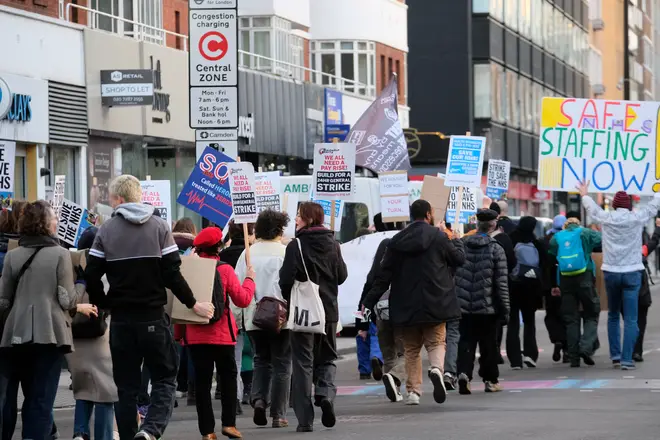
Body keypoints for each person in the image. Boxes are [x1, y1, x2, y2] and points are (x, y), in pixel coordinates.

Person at [85, 175, 215, 440]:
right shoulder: (159, 226)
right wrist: (193, 303)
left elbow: (91, 274)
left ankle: (132, 433)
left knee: (126, 387)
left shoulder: (106, 230)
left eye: (110, 198)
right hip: (153, 318)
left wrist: (105, 303)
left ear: (119, 199)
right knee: (166, 377)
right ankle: (150, 430)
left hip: (121, 322)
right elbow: (172, 274)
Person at [363, 200, 465, 406]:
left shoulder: (396, 241)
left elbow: (383, 276)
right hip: (436, 301)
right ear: (428, 215)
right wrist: (455, 239)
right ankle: (436, 369)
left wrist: (368, 301)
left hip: (405, 304)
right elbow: (459, 259)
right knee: (436, 342)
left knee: (411, 349)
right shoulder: (439, 237)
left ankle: (413, 392)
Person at [0, 201, 85, 439]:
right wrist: (81, 284)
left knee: (23, 396)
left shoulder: (12, 255)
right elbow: (67, 300)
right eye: (54, 217)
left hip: (15, 333)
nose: (57, 221)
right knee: (41, 399)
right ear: (45, 223)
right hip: (49, 333)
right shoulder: (60, 254)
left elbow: (3, 300)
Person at [177, 226, 255, 440]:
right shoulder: (225, 270)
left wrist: (179, 334)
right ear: (218, 247)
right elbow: (243, 299)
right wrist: (249, 279)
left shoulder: (188, 270)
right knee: (228, 378)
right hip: (223, 335)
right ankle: (229, 424)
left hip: (195, 335)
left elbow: (180, 305)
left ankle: (207, 431)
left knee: (202, 384)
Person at [279, 202, 348, 432]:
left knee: (302, 365)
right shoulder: (334, 245)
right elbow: (341, 276)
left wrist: (292, 297)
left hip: (303, 314)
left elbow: (285, 280)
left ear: (308, 219)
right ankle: (325, 393)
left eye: (298, 216)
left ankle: (305, 420)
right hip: (328, 313)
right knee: (327, 358)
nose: (295, 220)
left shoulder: (295, 246)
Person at [579, 182, 660, 369]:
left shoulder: (606, 218)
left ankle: (615, 355)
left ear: (614, 204)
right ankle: (627, 358)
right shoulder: (637, 218)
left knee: (614, 315)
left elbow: (592, 210)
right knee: (631, 319)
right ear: (630, 205)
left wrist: (584, 193)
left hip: (611, 271)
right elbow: (653, 206)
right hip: (632, 271)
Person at [234, 209, 292, 428]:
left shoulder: (248, 253)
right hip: (281, 316)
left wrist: (238, 316)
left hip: (254, 315)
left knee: (261, 359)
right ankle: (279, 414)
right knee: (282, 364)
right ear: (279, 229)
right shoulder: (286, 252)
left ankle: (259, 399)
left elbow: (239, 284)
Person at [69, 226, 119, 440]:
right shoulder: (108, 269)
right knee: (106, 390)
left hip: (75, 335)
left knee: (83, 387)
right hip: (102, 334)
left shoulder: (70, 269)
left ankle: (80, 433)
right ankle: (103, 436)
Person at [454, 209, 510, 394]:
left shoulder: (462, 245)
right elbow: (501, 282)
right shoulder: (496, 248)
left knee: (465, 342)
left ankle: (463, 373)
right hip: (487, 307)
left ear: (477, 224)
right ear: (493, 225)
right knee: (488, 345)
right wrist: (505, 309)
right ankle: (490, 380)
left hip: (462, 305)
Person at [358, 214, 405, 400]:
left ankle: (393, 388)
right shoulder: (401, 269)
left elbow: (365, 300)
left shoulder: (374, 275)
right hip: (400, 313)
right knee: (406, 352)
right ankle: (394, 378)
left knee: (389, 353)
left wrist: (362, 325)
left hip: (380, 315)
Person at [549, 215, 602, 368]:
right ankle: (585, 348)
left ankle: (573, 357)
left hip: (565, 279)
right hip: (585, 277)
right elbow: (601, 240)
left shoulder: (557, 237)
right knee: (592, 312)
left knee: (571, 318)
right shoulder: (585, 232)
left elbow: (551, 255)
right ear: (578, 224)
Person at [220, 220, 255, 406]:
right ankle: (252, 390)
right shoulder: (250, 255)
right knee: (254, 353)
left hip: (230, 312)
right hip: (250, 307)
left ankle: (236, 395)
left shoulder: (223, 256)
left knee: (236, 357)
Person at [506, 216, 547, 369]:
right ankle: (530, 354)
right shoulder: (536, 242)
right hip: (531, 287)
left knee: (513, 322)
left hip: (513, 286)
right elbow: (544, 264)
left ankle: (515, 359)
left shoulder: (510, 240)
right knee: (530, 322)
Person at [544, 215, 568, 363]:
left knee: (551, 315)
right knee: (567, 315)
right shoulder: (569, 239)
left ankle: (556, 339)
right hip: (567, 281)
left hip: (550, 285)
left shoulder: (547, 240)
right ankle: (567, 349)